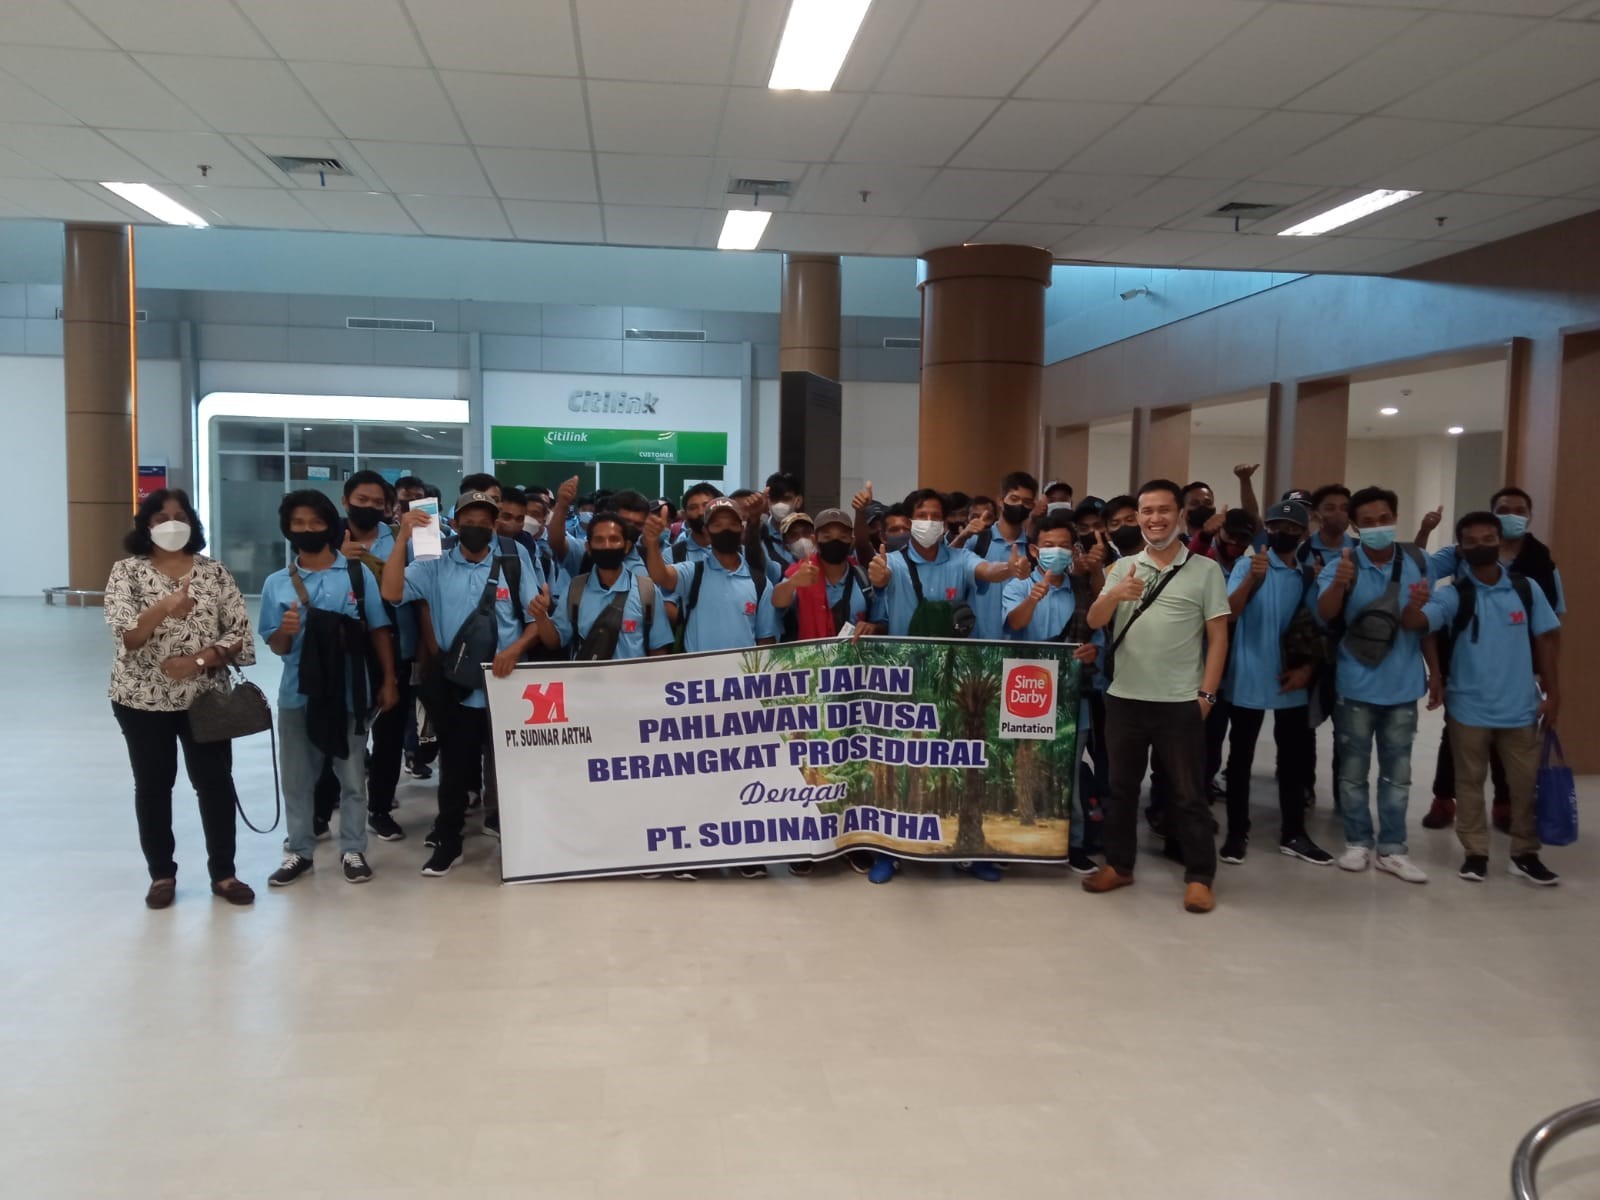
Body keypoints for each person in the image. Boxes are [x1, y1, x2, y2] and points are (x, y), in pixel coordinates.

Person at [384, 490, 558, 877]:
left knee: (511, 768)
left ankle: (522, 843)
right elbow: (392, 591)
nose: (476, 527)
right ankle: (449, 841)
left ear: (494, 524)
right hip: (457, 683)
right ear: (455, 523)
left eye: (484, 521)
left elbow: (535, 621)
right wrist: (402, 539)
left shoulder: (513, 558)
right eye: (468, 520)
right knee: (454, 768)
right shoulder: (434, 563)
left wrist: (515, 650)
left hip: (506, 683)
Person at [1083, 479, 1230, 915]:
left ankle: (1200, 876)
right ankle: (1119, 865)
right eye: (1146, 511)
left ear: (1180, 514)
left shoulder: (1205, 570)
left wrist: (1207, 694)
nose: (1154, 519)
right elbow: (1094, 620)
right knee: (1121, 789)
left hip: (1180, 701)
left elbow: (1218, 638)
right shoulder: (1122, 567)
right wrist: (1115, 594)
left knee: (1187, 793)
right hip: (1125, 698)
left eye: (1163, 510)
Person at [105, 489, 257, 909]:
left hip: (206, 698)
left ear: (192, 523)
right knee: (153, 785)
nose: (171, 524)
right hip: (141, 698)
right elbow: (129, 636)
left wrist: (199, 660)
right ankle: (162, 875)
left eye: (180, 516)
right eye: (160, 518)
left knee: (215, 784)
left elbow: (239, 633)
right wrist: (165, 606)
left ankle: (224, 874)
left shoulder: (215, 572)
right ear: (146, 525)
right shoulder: (126, 572)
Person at [1405, 512, 1561, 885]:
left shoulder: (1526, 589)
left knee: (1524, 786)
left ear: (1499, 541)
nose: (1481, 546)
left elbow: (1545, 640)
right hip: (1468, 708)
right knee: (1469, 784)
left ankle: (1525, 854)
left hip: (1520, 708)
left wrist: (1554, 692)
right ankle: (1475, 853)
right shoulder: (1453, 594)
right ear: (1460, 548)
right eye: (1471, 541)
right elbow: (1418, 626)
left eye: (1488, 538)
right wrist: (1415, 607)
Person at [260, 490, 398, 888]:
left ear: (329, 525)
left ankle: (353, 848)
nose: (307, 529)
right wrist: (286, 633)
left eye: (316, 522)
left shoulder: (356, 574)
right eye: (298, 523)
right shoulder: (276, 584)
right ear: (287, 529)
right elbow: (277, 646)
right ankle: (300, 851)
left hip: (351, 691)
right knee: (297, 777)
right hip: (297, 693)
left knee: (352, 775)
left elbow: (378, 630)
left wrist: (389, 681)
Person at [642, 497, 779, 880]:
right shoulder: (695, 570)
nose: (725, 529)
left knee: (741, 773)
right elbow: (663, 577)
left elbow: (766, 640)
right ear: (706, 528)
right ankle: (694, 851)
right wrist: (651, 544)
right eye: (717, 524)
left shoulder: (759, 581)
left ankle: (745, 851)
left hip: (743, 694)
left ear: (742, 528)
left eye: (732, 523)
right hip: (696, 692)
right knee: (696, 772)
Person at [1315, 486, 1435, 884]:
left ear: (1395, 518)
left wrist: (1437, 674)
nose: (1377, 526)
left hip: (1403, 685)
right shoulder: (1344, 563)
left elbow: (1426, 626)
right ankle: (1358, 841)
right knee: (1352, 772)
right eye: (1367, 522)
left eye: (1384, 519)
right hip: (1355, 684)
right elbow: (1325, 614)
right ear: (1355, 526)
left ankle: (1393, 848)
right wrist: (1339, 583)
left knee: (1397, 774)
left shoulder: (1418, 562)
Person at [1219, 500, 1332, 867]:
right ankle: (1237, 832)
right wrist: (1253, 578)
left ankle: (1294, 833)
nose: (1283, 532)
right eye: (1275, 525)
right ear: (1265, 528)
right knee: (1240, 761)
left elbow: (1316, 627)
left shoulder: (1307, 576)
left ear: (1304, 534)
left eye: (1292, 528)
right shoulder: (1247, 565)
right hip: (1247, 677)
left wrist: (1307, 670)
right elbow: (1229, 613)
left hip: (1290, 681)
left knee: (1293, 763)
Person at [1000, 510, 1103, 874]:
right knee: (1021, 768)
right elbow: (1014, 623)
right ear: (1034, 549)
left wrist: (1093, 652)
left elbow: (1097, 637)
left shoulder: (1083, 591)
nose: (1056, 551)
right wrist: (1033, 598)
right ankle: (1014, 842)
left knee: (1068, 773)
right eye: (1047, 545)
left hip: (1073, 697)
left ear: (1073, 550)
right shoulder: (1018, 586)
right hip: (1024, 694)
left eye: (1063, 545)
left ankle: (1072, 844)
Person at [336, 470, 421, 844]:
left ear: (388, 507)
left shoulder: (402, 539)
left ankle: (380, 808)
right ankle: (327, 805)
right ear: (346, 501)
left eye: (377, 502)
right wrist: (338, 559)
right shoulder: (329, 538)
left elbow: (418, 590)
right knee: (340, 731)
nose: (369, 507)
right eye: (361, 500)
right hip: (342, 649)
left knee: (389, 736)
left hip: (394, 644)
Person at [566, 512, 672, 661]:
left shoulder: (647, 591)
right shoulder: (575, 589)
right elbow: (555, 639)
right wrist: (541, 615)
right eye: (599, 540)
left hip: (635, 676)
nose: (607, 546)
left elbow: (658, 649)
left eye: (614, 539)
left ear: (626, 546)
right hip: (587, 676)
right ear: (588, 547)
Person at [770, 508, 886, 641]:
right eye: (827, 537)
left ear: (851, 541)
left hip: (854, 652)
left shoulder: (863, 578)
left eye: (842, 537)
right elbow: (777, 601)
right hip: (809, 653)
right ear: (815, 540)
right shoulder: (802, 572)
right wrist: (793, 583)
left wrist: (872, 627)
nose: (835, 541)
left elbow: (881, 622)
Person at [951, 471, 1038, 641]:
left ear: (1033, 506)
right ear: (1000, 500)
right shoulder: (978, 541)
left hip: (1019, 645)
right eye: (1014, 499)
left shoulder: (1033, 551)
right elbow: (945, 563)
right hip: (976, 643)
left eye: (1027, 502)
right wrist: (963, 536)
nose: (1020, 505)